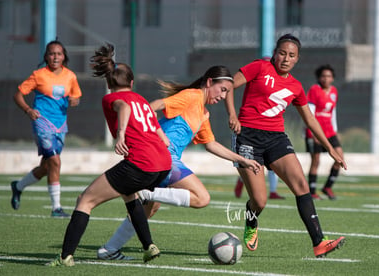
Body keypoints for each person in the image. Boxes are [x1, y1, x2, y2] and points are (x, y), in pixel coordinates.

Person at [96, 65, 261, 260]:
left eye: (227, 92)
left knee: (149, 209)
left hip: (161, 158)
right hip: (162, 155)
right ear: (209, 82)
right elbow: (155, 105)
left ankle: (109, 249)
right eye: (222, 89)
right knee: (202, 198)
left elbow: (211, 144)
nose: (224, 96)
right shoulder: (192, 96)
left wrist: (242, 160)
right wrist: (141, 129)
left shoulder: (203, 113)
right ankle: (146, 191)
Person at [46, 43, 172, 266]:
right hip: (162, 163)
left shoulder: (111, 99)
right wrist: (162, 141)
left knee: (84, 201)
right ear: (132, 83)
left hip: (141, 163)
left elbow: (124, 108)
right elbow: (157, 128)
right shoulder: (142, 99)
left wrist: (121, 135)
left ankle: (65, 256)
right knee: (130, 195)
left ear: (109, 83)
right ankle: (149, 246)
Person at [224, 33, 347, 258]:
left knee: (302, 185)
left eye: (291, 55)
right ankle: (251, 219)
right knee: (260, 200)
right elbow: (229, 85)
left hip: (276, 138)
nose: (285, 58)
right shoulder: (259, 67)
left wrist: (330, 148)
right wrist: (232, 114)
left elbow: (310, 119)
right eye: (282, 53)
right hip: (247, 137)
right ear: (274, 53)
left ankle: (319, 243)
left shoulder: (296, 87)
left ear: (297, 59)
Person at [11, 40, 82, 217]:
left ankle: (18, 186)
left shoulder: (70, 76)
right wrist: (28, 110)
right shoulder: (38, 75)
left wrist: (75, 101)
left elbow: (76, 96)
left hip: (60, 125)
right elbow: (18, 94)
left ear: (64, 56)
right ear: (46, 56)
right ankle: (56, 208)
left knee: (47, 167)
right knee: (56, 162)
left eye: (58, 53)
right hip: (42, 123)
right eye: (51, 53)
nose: (55, 57)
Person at [305, 64, 344, 200]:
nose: (326, 79)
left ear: (332, 78)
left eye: (328, 76)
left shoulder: (334, 91)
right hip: (316, 132)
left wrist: (336, 130)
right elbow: (309, 113)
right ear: (319, 77)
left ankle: (328, 187)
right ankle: (312, 191)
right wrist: (313, 133)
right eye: (323, 76)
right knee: (316, 161)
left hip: (330, 131)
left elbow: (332, 113)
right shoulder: (314, 90)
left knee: (339, 157)